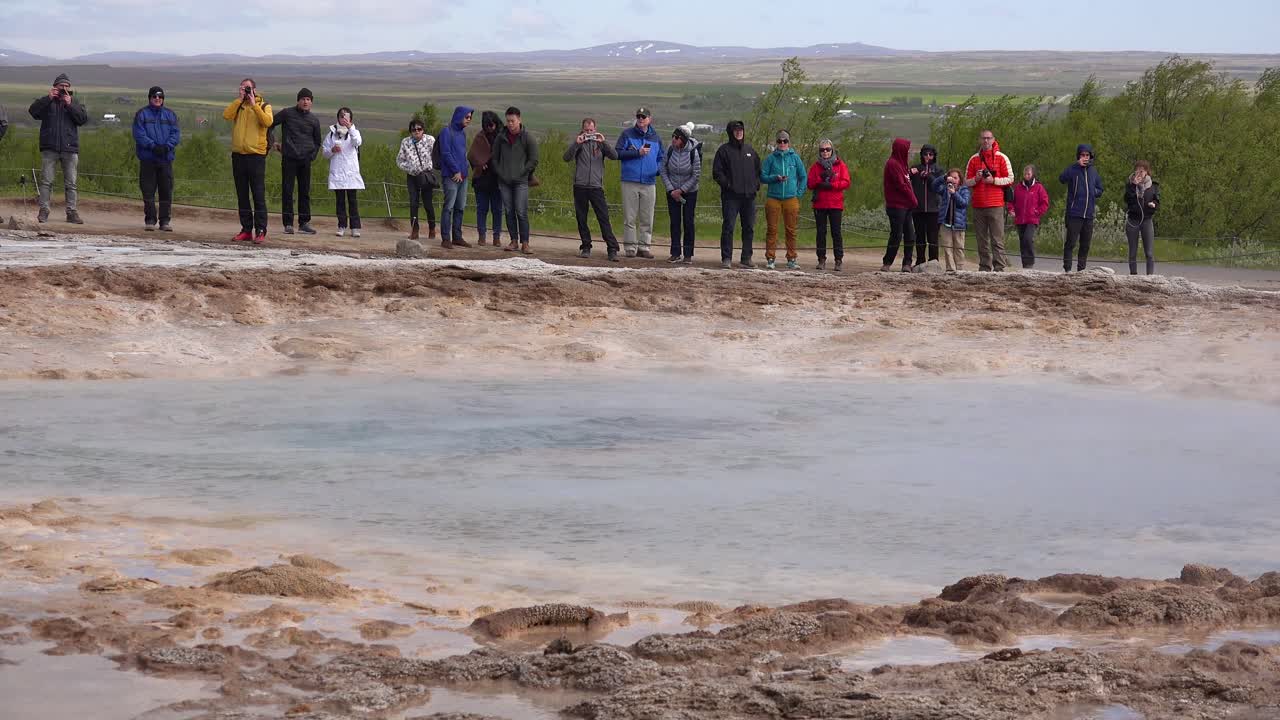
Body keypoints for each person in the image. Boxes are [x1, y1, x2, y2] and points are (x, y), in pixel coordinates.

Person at [29, 73, 89, 224]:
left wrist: (70, 104)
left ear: (70, 88)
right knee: (46, 182)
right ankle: (44, 211)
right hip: (50, 147)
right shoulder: (47, 102)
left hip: (70, 148)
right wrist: (48, 98)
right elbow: (33, 112)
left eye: (66, 86)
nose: (63, 89)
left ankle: (72, 212)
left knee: (71, 183)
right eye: (61, 86)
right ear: (55, 87)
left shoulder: (74, 102)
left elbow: (82, 119)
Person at [222, 78, 273, 243]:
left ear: (255, 90)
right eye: (243, 88)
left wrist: (254, 104)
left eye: (249, 88)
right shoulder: (238, 106)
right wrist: (239, 99)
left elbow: (267, 122)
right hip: (238, 156)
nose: (246, 90)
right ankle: (246, 229)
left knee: (258, 194)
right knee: (242, 195)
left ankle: (260, 230)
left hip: (256, 156)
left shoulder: (265, 106)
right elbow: (226, 115)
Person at [564, 117, 620, 261]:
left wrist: (604, 142)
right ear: (583, 129)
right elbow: (566, 158)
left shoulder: (600, 144)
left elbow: (614, 156)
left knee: (604, 218)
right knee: (581, 218)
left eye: (591, 130)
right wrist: (576, 144)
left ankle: (612, 248)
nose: (589, 133)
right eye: (586, 130)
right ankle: (586, 246)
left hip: (596, 187)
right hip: (580, 186)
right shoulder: (579, 143)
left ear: (595, 129)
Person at [268, 88, 322, 235]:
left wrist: (312, 156)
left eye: (308, 99)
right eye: (303, 99)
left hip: (305, 160)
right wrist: (272, 142)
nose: (305, 102)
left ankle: (304, 223)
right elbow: (270, 124)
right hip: (289, 158)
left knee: (304, 191)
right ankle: (288, 224)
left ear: (311, 102)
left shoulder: (314, 120)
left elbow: (318, 142)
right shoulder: (287, 113)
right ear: (298, 100)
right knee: (287, 190)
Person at [615, 107, 664, 258]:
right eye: (639, 116)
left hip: (649, 182)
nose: (641, 119)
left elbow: (661, 157)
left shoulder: (656, 137)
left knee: (647, 217)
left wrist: (657, 170)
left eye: (644, 117)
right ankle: (630, 248)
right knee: (630, 217)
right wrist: (637, 153)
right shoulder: (627, 134)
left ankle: (644, 247)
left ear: (650, 119)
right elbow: (618, 153)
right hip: (630, 180)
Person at [712, 119, 762, 269]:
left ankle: (746, 258)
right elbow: (717, 173)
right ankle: (726, 258)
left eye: (741, 130)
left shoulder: (750, 151)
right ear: (731, 132)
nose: (739, 132)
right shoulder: (723, 151)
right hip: (731, 197)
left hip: (749, 197)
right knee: (728, 227)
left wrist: (756, 186)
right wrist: (728, 185)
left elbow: (758, 171)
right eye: (736, 130)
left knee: (749, 227)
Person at [131, 86, 180, 231]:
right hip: (148, 159)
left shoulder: (170, 115)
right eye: (154, 97)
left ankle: (165, 221)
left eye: (160, 97)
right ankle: (150, 220)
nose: (157, 99)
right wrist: (153, 146)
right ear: (150, 98)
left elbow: (176, 134)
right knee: (148, 190)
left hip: (166, 159)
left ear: (163, 99)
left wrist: (167, 146)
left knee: (166, 191)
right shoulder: (142, 114)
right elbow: (139, 134)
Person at [964, 130, 1014, 271]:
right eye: (983, 138)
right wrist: (977, 179)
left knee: (997, 239)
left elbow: (1010, 178)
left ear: (993, 140)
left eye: (988, 138)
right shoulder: (973, 159)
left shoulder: (1002, 157)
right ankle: (984, 266)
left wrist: (994, 180)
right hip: (978, 204)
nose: (986, 141)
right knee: (981, 240)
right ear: (980, 140)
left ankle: (999, 267)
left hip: (996, 204)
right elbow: (966, 182)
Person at [492, 106, 538, 254]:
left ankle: (525, 243)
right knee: (509, 211)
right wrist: (500, 173)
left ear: (519, 120)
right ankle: (513, 241)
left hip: (521, 181)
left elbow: (533, 159)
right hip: (504, 180)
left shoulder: (527, 137)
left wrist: (522, 173)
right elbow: (494, 158)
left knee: (521, 211)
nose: (510, 124)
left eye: (513, 121)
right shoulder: (501, 137)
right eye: (508, 121)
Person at [760, 130, 807, 270]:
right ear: (776, 142)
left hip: (791, 198)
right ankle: (770, 258)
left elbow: (803, 177)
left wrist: (798, 193)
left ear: (788, 142)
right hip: (773, 197)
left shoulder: (795, 158)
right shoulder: (770, 158)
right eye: (780, 141)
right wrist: (775, 177)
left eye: (785, 141)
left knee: (791, 230)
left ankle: (791, 258)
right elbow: (762, 177)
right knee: (772, 229)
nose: (782, 143)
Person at [806, 138, 851, 271]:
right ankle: (821, 259)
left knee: (836, 233)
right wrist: (820, 179)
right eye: (822, 150)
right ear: (819, 152)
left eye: (827, 149)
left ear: (832, 150)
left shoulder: (840, 165)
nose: (825, 152)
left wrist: (831, 185)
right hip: (820, 203)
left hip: (835, 203)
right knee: (821, 232)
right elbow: (810, 184)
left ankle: (838, 260)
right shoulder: (815, 167)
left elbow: (846, 182)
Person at [1059, 143, 1104, 272]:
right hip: (1074, 213)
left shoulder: (1093, 171)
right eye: (1082, 155)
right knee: (1070, 243)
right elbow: (1062, 178)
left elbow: (1100, 189)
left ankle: (1081, 271)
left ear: (1091, 156)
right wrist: (1075, 166)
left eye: (1087, 155)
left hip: (1089, 214)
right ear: (1078, 156)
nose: (1085, 157)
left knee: (1085, 245)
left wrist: (1092, 192)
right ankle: (1067, 270)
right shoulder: (1074, 169)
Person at [659, 126, 701, 264]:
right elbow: (663, 170)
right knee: (674, 222)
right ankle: (675, 252)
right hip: (672, 192)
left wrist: (681, 190)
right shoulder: (669, 150)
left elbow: (696, 175)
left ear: (683, 139)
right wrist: (671, 190)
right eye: (673, 136)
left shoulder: (693, 152)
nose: (673, 139)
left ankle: (688, 254)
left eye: (676, 137)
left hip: (689, 192)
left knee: (688, 222)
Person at [322, 107, 363, 237]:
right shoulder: (331, 134)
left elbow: (358, 142)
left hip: (351, 171)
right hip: (338, 171)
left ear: (350, 119)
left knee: (352, 200)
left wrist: (350, 128)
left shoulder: (354, 132)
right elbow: (325, 153)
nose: (344, 119)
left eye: (347, 117)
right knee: (340, 200)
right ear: (337, 118)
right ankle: (341, 225)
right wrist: (332, 150)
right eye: (341, 117)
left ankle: (355, 227)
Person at [438, 106, 474, 248]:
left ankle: (457, 237)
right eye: (467, 117)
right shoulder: (446, 132)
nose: (469, 120)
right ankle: (446, 238)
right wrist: (455, 170)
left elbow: (462, 153)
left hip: (463, 176)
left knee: (460, 207)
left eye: (470, 117)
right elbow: (446, 153)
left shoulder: (462, 134)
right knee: (449, 207)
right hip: (451, 176)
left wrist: (464, 171)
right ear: (459, 116)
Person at [881, 138, 918, 271]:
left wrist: (909, 173)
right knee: (896, 235)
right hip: (896, 205)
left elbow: (905, 179)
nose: (908, 152)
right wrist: (914, 200)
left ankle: (906, 263)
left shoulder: (902, 164)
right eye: (907, 149)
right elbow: (901, 185)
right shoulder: (893, 164)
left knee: (910, 235)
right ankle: (887, 262)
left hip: (905, 205)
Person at [396, 119, 436, 240]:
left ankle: (432, 228)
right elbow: (399, 160)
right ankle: (414, 230)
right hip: (412, 176)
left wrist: (430, 166)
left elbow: (437, 155)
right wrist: (410, 169)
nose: (417, 132)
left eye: (419, 129)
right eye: (414, 130)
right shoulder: (405, 142)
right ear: (410, 131)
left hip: (426, 175)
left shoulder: (430, 140)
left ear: (423, 130)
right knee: (413, 203)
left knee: (428, 204)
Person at [467, 110, 503, 246]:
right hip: (481, 179)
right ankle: (481, 235)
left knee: (497, 210)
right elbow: (471, 155)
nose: (489, 128)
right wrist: (480, 164)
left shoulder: (501, 137)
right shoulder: (480, 137)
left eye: (491, 125)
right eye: (487, 125)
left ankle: (496, 236)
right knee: (482, 209)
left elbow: (506, 156)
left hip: (497, 180)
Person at [1008, 164, 1050, 268]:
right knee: (1022, 242)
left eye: (1028, 174)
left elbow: (1045, 203)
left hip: (1032, 219)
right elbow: (1011, 201)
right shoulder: (1018, 187)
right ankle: (1025, 265)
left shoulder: (1039, 187)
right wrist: (1011, 210)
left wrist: (1037, 212)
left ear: (1033, 175)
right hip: (1020, 219)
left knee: (1028, 238)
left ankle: (1030, 262)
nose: (1026, 176)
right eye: (1025, 174)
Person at [909, 144, 944, 267]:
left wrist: (929, 176)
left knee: (933, 237)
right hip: (918, 208)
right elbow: (906, 180)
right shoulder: (915, 168)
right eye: (925, 154)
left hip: (933, 208)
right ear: (921, 155)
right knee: (920, 236)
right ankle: (920, 261)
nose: (927, 157)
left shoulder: (939, 170)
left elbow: (940, 185)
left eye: (930, 154)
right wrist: (910, 173)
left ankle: (934, 261)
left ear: (934, 156)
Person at [1124, 160, 1160, 275]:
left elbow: (1157, 201)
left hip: (1147, 219)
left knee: (1149, 252)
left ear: (1146, 172)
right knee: (1132, 251)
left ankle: (1150, 277)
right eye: (1138, 170)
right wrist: (1134, 185)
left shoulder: (1153, 186)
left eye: (1142, 171)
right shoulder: (1130, 185)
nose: (1140, 173)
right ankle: (1133, 275)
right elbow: (1127, 199)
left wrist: (1154, 204)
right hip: (1133, 219)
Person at [933, 169, 971, 272]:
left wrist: (954, 194)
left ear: (960, 179)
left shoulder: (964, 190)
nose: (953, 180)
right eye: (951, 177)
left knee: (959, 248)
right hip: (945, 223)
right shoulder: (945, 189)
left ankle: (960, 269)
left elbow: (964, 203)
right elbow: (934, 186)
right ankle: (950, 269)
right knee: (947, 248)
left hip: (959, 224)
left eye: (955, 178)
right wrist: (943, 178)